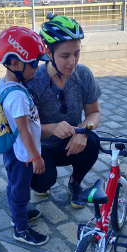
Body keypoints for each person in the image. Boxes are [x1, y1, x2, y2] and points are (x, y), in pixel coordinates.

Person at [26, 15, 102, 208]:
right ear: (48, 52)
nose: (73, 62)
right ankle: (42, 182)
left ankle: (74, 183)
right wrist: (51, 128)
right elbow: (24, 128)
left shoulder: (83, 75)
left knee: (92, 141)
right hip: (40, 148)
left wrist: (83, 132)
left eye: (77, 53)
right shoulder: (34, 81)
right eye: (65, 56)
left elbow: (94, 112)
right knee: (43, 183)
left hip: (69, 145)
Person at [0, 26, 51, 247]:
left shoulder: (7, 83)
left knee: (14, 184)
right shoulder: (17, 95)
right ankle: (21, 228)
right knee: (20, 189)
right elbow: (25, 130)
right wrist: (36, 157)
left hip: (15, 149)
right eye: (34, 64)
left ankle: (18, 214)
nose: (37, 69)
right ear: (16, 64)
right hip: (22, 153)